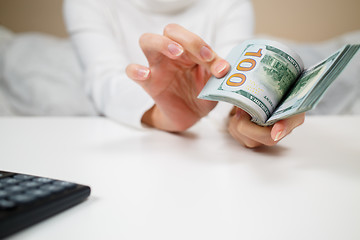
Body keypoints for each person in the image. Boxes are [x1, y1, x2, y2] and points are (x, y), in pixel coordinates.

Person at [63, 0, 305, 148]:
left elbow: (230, 74)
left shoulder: (231, 3)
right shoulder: (88, 3)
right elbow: (104, 80)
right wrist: (163, 114)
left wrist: (242, 113)